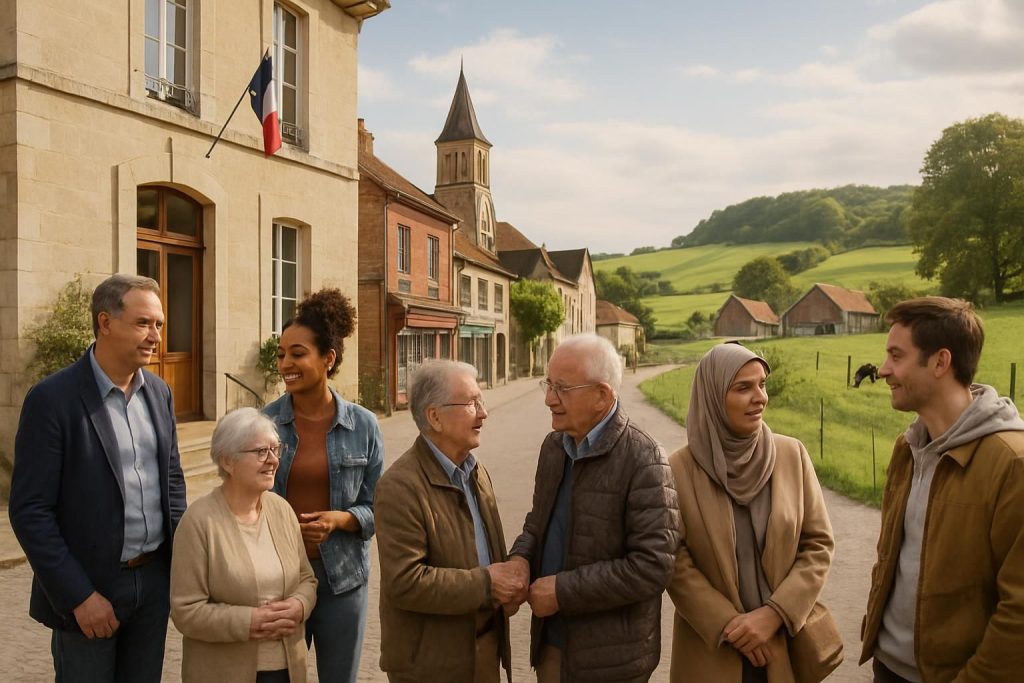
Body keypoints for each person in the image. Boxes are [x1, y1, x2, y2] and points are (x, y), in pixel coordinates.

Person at [8, 273, 187, 682]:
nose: (155, 335)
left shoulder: (159, 393)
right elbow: (30, 510)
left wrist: (181, 570)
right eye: (143, 323)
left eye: (158, 324)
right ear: (105, 323)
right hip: (89, 593)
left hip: (153, 585)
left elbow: (173, 482)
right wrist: (79, 597)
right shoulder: (53, 399)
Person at [860, 297, 1024, 683]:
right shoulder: (909, 448)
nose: (884, 370)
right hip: (889, 668)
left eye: (896, 356)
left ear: (940, 362)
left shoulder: (1011, 464)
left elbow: (1019, 610)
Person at [508, 333, 680, 682]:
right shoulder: (554, 447)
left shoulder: (645, 458)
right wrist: (519, 560)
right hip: (553, 646)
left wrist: (561, 592)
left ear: (602, 396)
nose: (548, 399)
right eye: (548, 384)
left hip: (612, 663)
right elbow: (537, 523)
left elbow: (653, 567)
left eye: (562, 388)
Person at [667, 343, 836, 682]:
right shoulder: (677, 469)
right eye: (743, 387)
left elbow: (817, 545)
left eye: (762, 384)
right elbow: (672, 559)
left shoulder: (792, 455)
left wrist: (774, 615)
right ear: (713, 396)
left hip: (783, 644)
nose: (760, 397)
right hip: (712, 650)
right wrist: (730, 625)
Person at [262, 288, 384, 683]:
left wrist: (341, 519)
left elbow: (378, 505)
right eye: (281, 354)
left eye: (298, 354)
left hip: (343, 580)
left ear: (328, 359)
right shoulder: (263, 424)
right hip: (277, 580)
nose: (285, 364)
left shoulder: (364, 425)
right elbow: (243, 503)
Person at [375, 360, 521, 682]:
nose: (484, 413)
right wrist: (489, 584)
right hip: (431, 666)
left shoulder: (475, 471)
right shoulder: (399, 487)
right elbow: (406, 582)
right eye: (472, 403)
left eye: (481, 402)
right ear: (435, 417)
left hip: (484, 648)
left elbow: (489, 554)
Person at [170, 408, 317, 683]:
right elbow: (185, 612)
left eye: (276, 449)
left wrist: (299, 605)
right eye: (261, 451)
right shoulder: (198, 522)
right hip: (223, 673)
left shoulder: (282, 510)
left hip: (287, 670)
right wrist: (249, 622)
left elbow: (307, 579)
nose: (273, 460)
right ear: (227, 461)